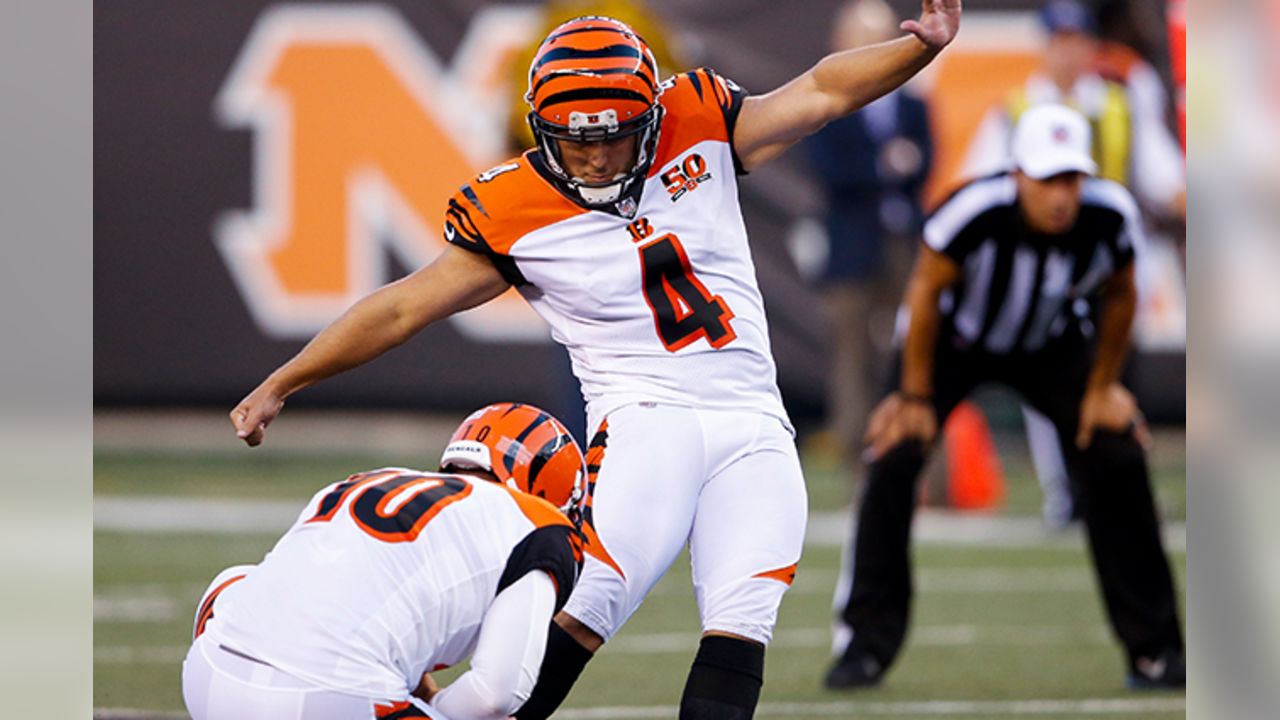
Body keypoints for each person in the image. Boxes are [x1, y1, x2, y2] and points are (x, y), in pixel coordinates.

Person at [231, 5, 962, 717]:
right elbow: (400, 307)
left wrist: (922, 48)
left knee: (743, 626)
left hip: (756, 423)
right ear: (541, 129)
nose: (599, 155)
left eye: (617, 134)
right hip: (646, 426)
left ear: (650, 113)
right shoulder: (515, 207)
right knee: (587, 607)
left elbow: (823, 91)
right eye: (578, 140)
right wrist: (284, 379)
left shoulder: (697, 120)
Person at [823, 105, 1185, 691]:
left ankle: (1155, 650)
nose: (1062, 196)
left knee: (1118, 452)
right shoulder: (973, 211)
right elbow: (924, 293)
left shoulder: (1107, 213)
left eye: (1072, 179)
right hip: (953, 343)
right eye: (1048, 180)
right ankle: (864, 644)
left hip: (1050, 343)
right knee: (891, 456)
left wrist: (1103, 388)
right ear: (1017, 175)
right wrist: (913, 394)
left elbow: (1121, 294)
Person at [183, 403, 587, 720]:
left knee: (241, 578)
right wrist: (432, 710)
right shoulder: (541, 526)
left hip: (208, 679)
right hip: (335, 702)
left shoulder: (370, 478)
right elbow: (495, 696)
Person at [963, 0, 1187, 528]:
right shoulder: (1017, 109)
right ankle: (1067, 493)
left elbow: (1163, 175)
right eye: (1058, 41)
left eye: (1076, 40)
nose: (1068, 52)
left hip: (1112, 268)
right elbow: (980, 182)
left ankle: (1116, 490)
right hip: (1042, 272)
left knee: (1113, 381)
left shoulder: (1120, 101)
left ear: (1090, 45)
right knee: (1051, 382)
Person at [807, 0, 934, 472]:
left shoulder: (912, 103)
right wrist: (884, 166)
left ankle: (924, 467)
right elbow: (829, 172)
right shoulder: (829, 102)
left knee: (916, 353)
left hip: (903, 238)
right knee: (851, 360)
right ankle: (855, 467)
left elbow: (926, 162)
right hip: (851, 246)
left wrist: (896, 167)